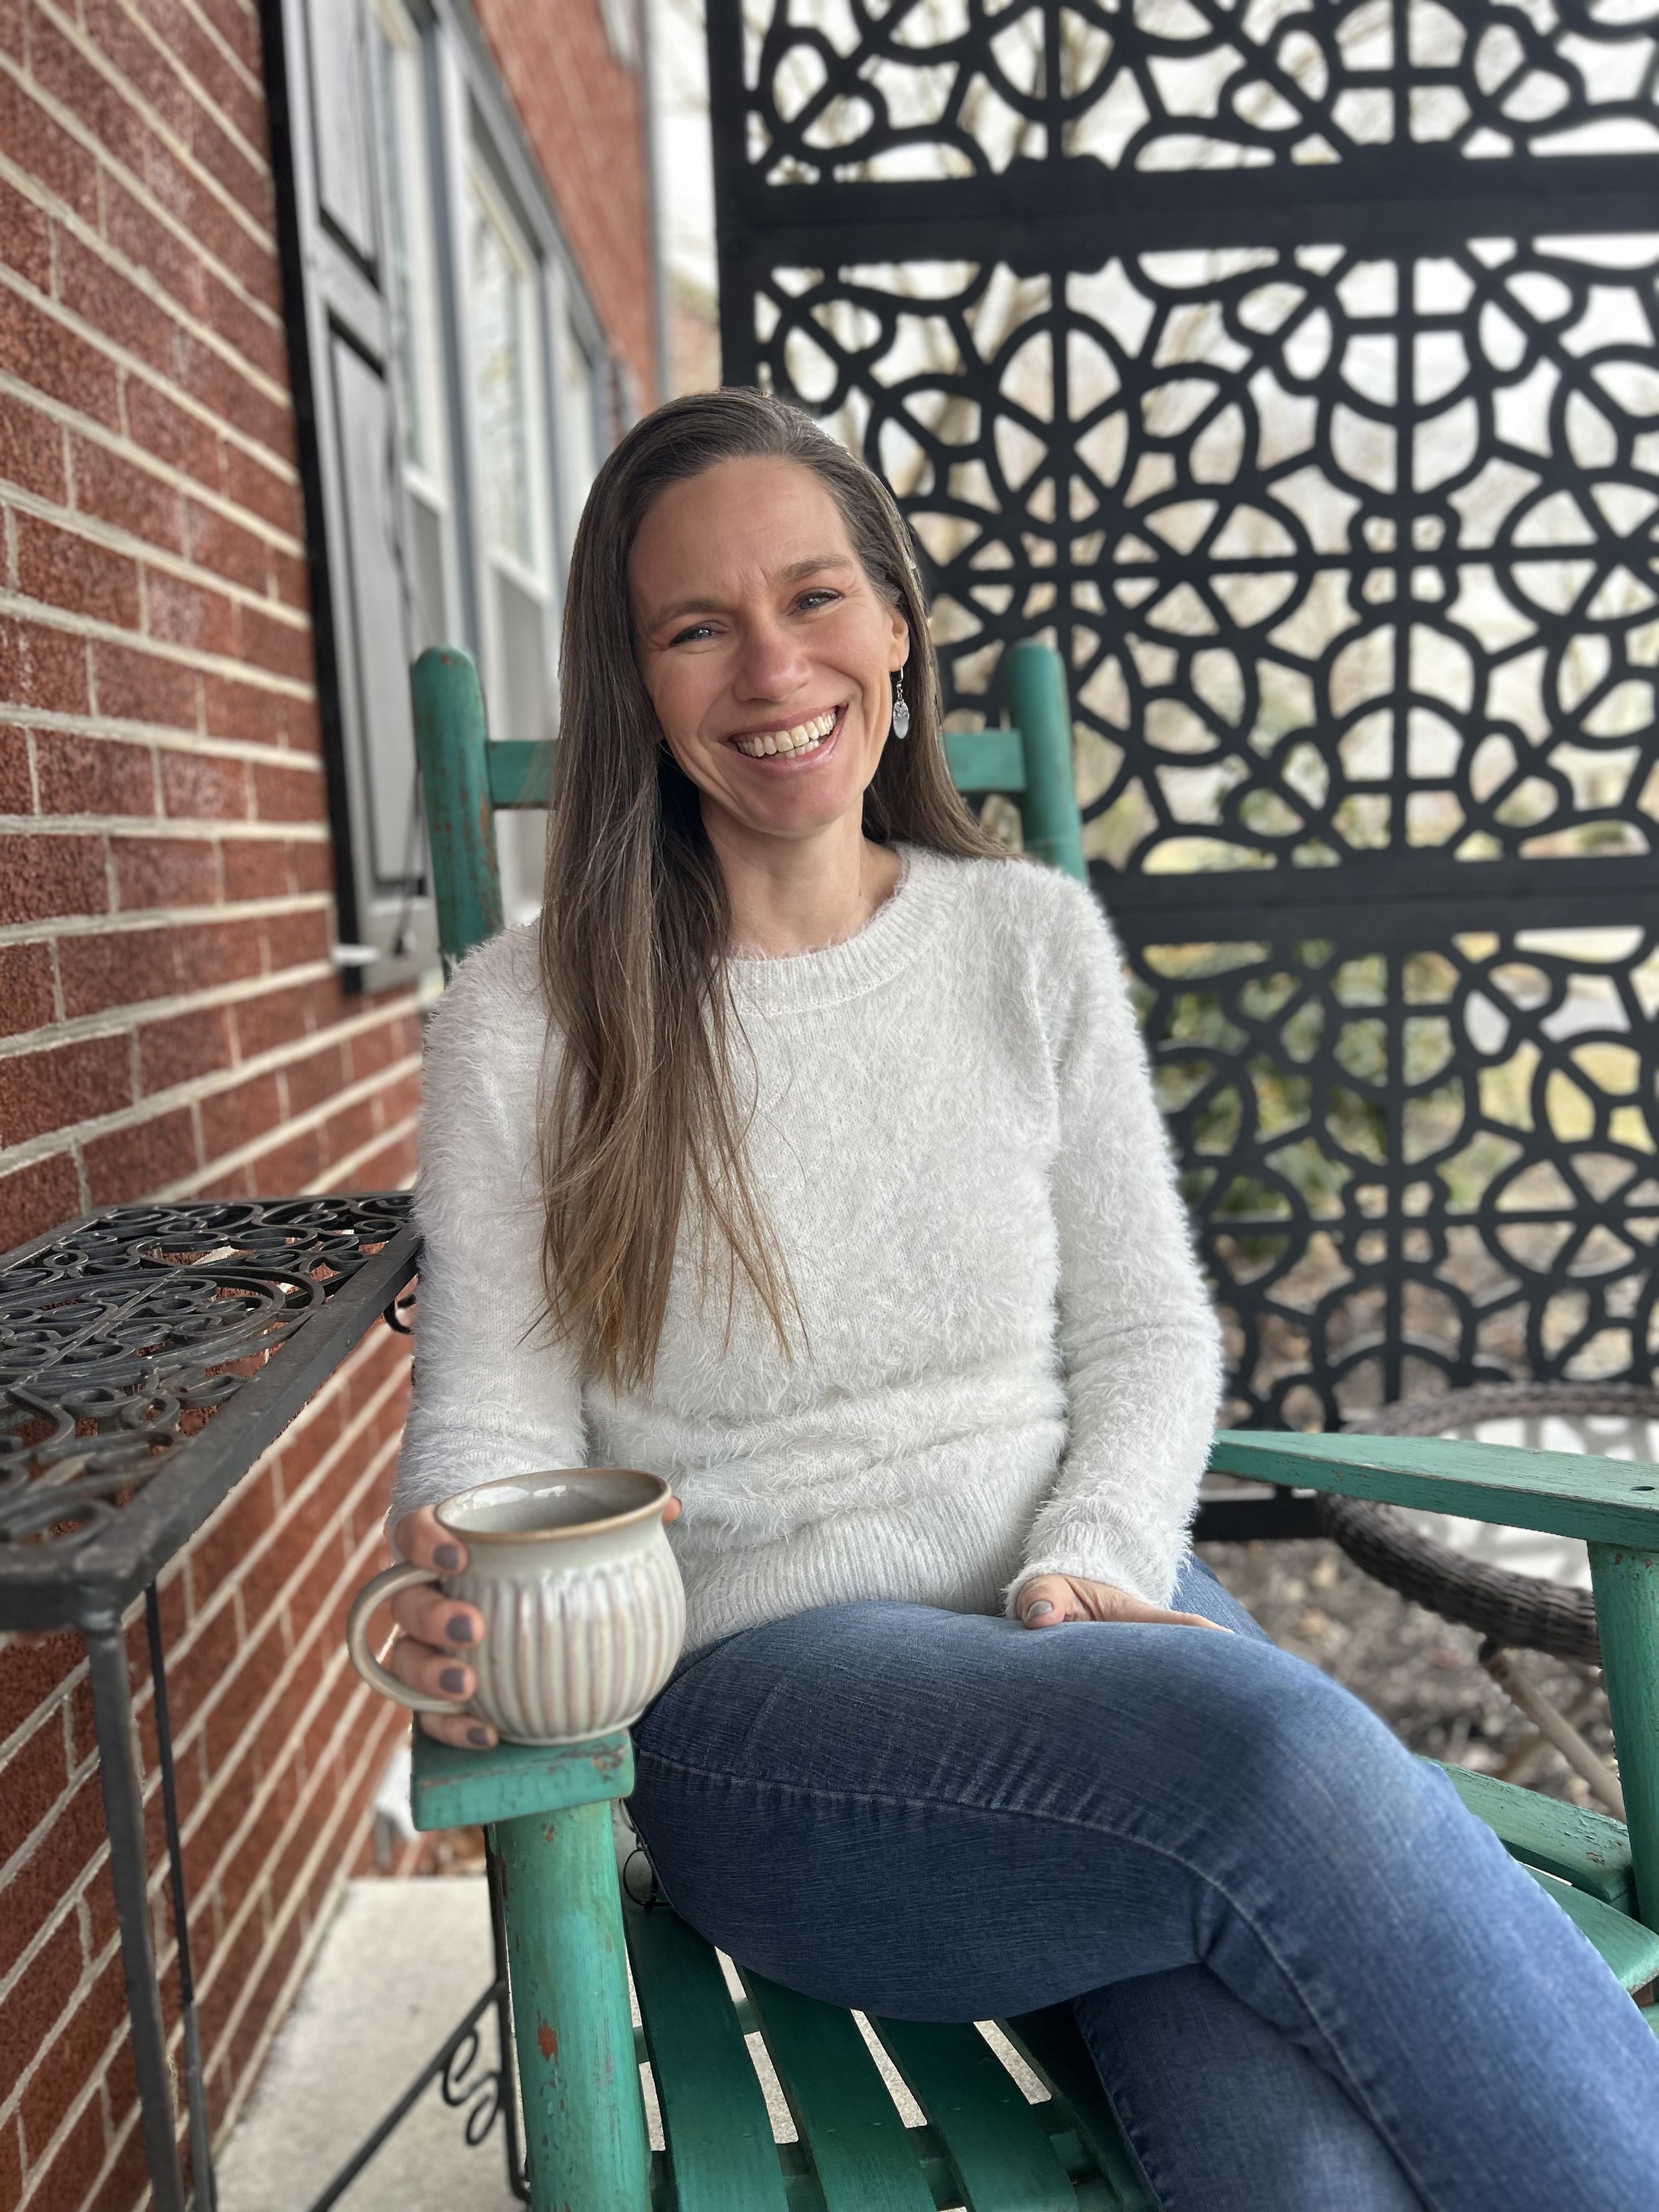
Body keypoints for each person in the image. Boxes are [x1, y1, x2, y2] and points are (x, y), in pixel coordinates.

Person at [374, 388, 1659, 2211]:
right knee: (1278, 1754)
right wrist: (457, 1567)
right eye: (694, 625)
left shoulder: (1023, 936)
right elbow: (495, 1416)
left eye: (814, 598)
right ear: (634, 683)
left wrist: (1094, 1558)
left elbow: (1147, 1334)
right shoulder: (535, 1015)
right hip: (779, 1715)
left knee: (1301, 2168)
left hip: (1095, 1639)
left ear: (895, 627)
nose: (770, 666)